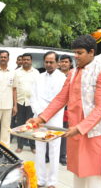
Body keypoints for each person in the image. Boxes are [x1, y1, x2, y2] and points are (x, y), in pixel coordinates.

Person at [28, 35, 101, 188]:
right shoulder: (73, 72)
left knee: (94, 175)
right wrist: (40, 119)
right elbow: (61, 98)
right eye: (74, 52)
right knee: (79, 172)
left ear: (91, 52)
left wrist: (80, 128)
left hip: (95, 132)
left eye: (79, 53)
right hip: (75, 130)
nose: (75, 56)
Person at [30, 51, 66, 188]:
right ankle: (40, 180)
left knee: (54, 151)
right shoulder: (38, 77)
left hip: (55, 119)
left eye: (52, 62)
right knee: (39, 150)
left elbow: (60, 100)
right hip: (38, 118)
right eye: (47, 62)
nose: (49, 64)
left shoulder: (63, 78)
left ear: (57, 63)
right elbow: (32, 97)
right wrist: (39, 114)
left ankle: (52, 182)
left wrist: (47, 115)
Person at [15, 54, 40, 154]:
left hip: (32, 103)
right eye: (24, 59)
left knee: (32, 125)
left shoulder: (36, 73)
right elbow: (14, 88)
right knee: (20, 125)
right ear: (22, 61)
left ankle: (32, 146)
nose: (26, 61)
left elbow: (38, 89)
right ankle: (20, 146)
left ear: (31, 61)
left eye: (28, 60)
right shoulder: (16, 72)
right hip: (20, 102)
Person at [59, 54, 72, 165]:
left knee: (64, 132)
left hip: (68, 108)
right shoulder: (55, 75)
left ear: (70, 64)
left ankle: (62, 156)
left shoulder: (73, 75)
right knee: (53, 130)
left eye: (66, 62)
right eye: (62, 61)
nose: (63, 64)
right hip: (55, 107)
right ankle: (49, 155)